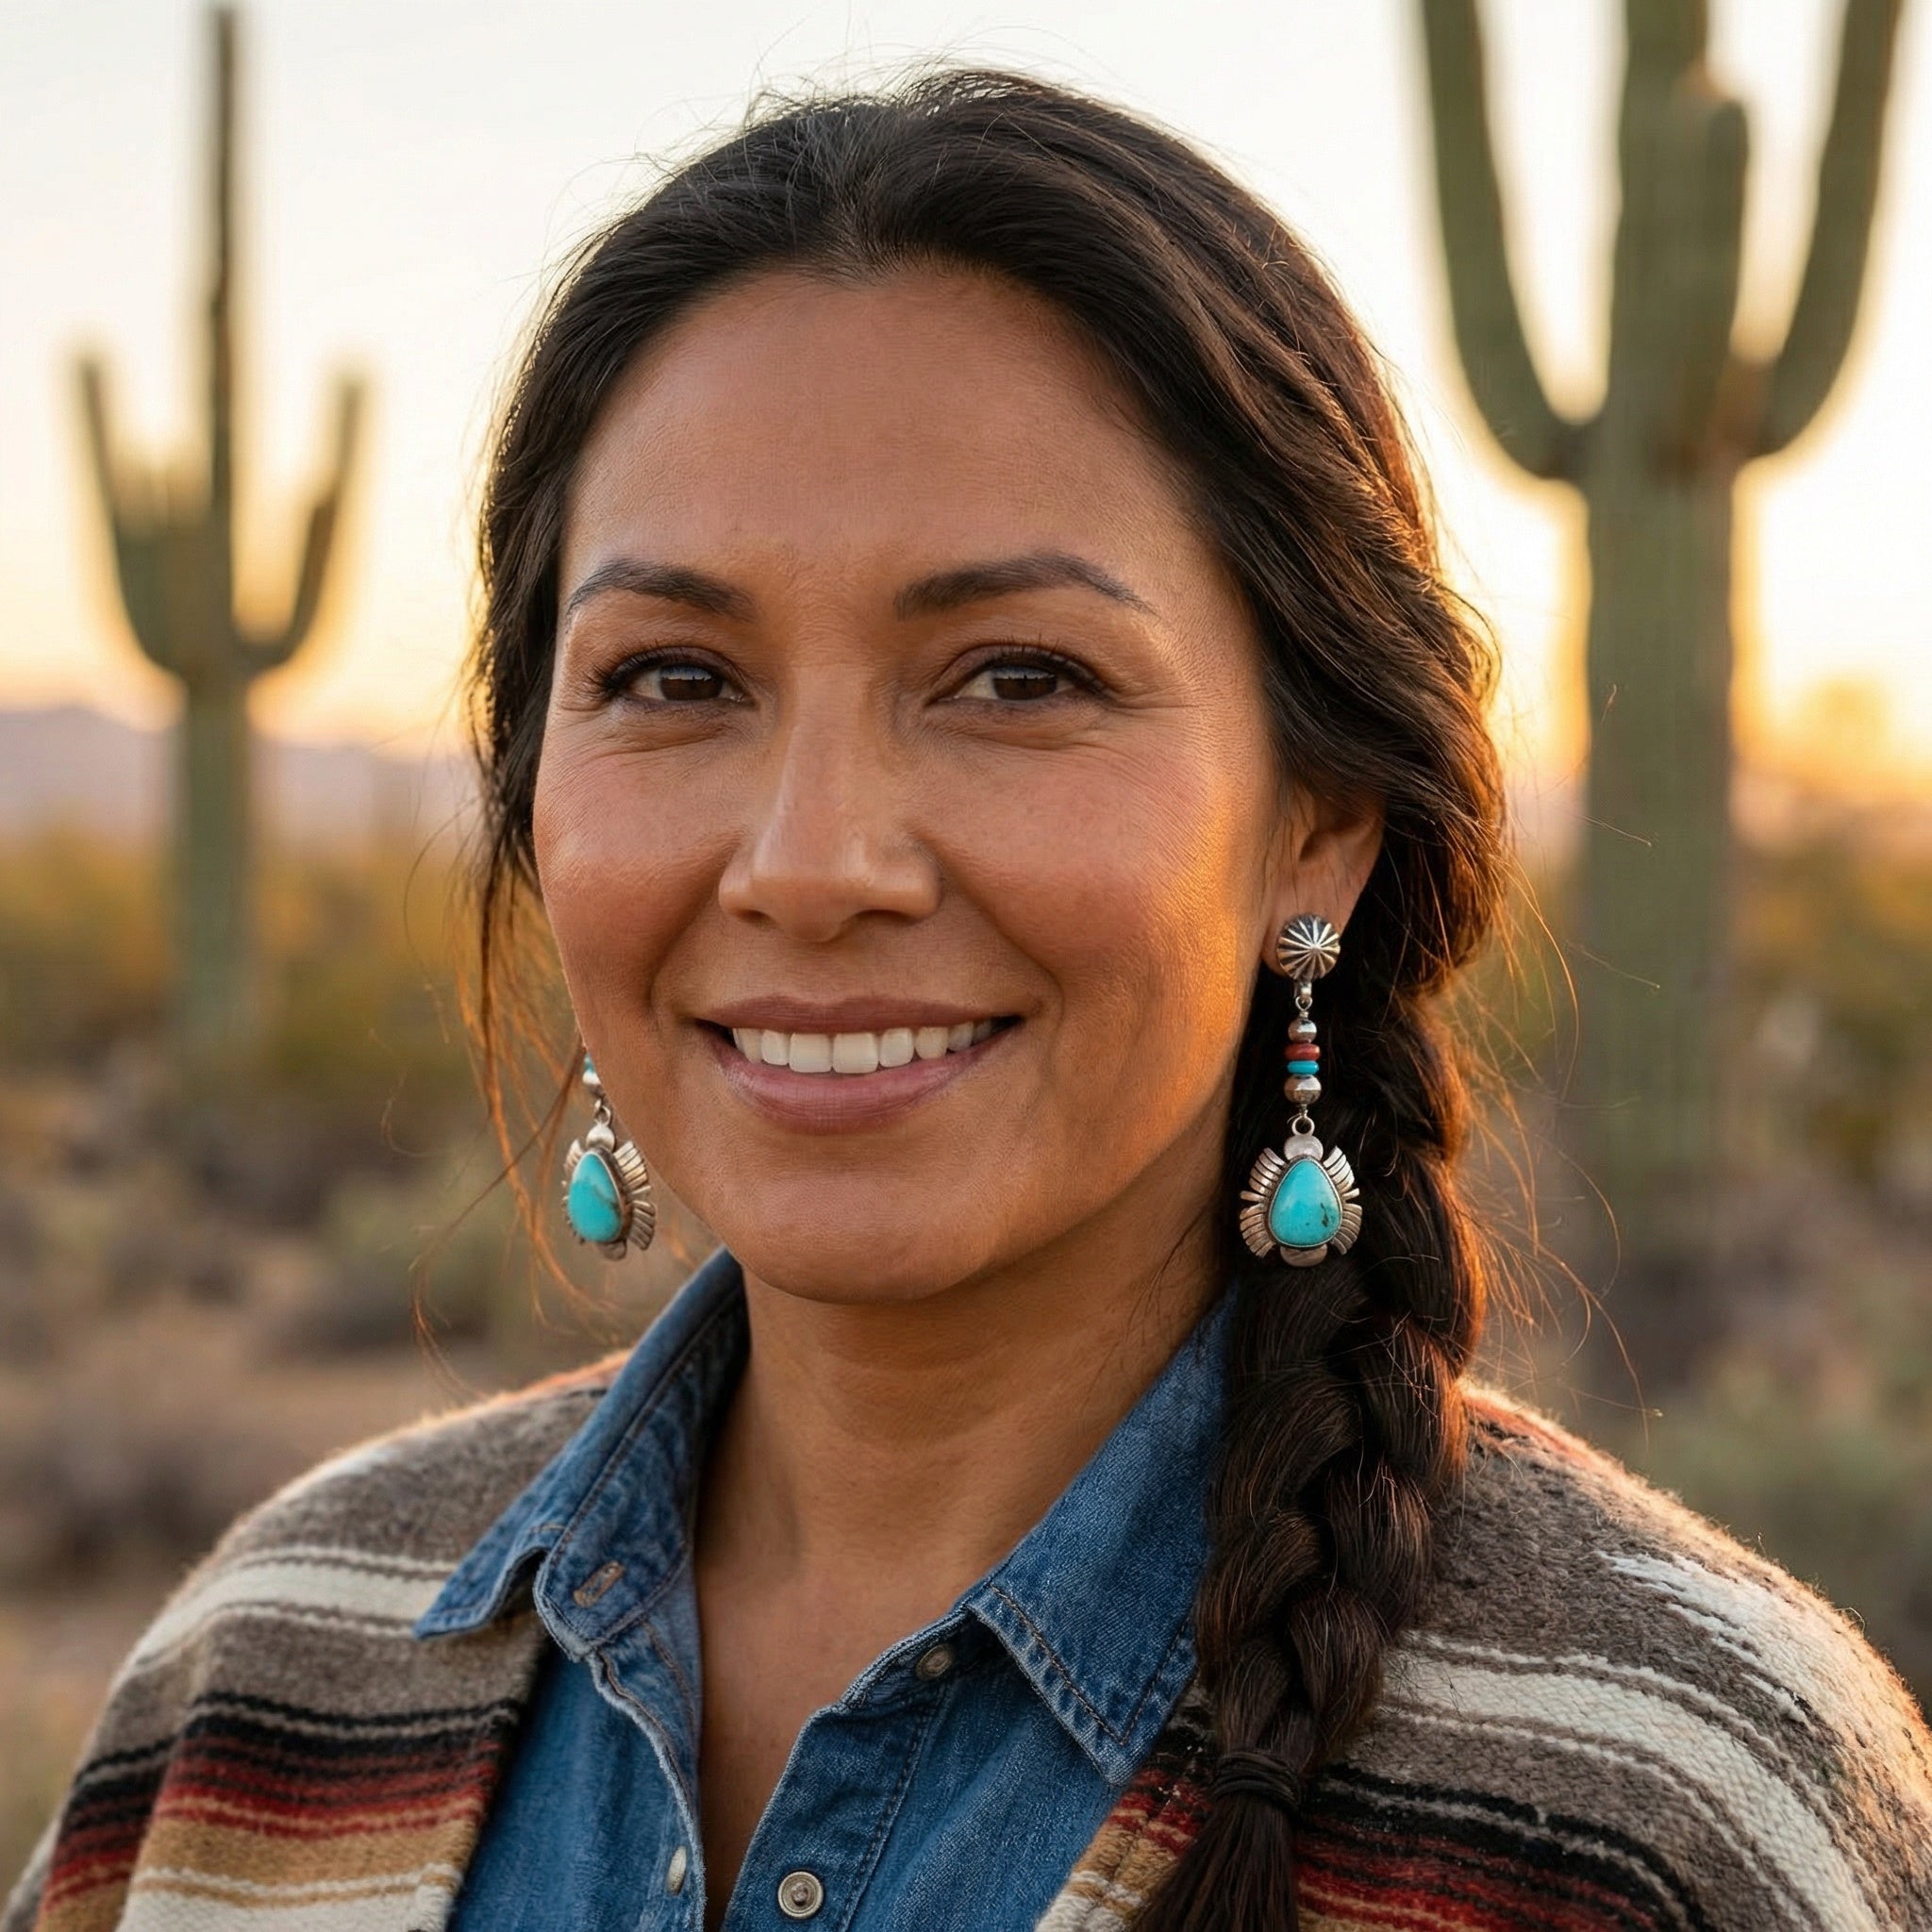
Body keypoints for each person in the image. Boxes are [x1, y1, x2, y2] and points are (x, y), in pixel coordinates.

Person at [9, 72, 1929, 1932]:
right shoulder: (264, 1685)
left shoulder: (1662, 1807)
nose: (811, 858)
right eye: (672, 678)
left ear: (1317, 832)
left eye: (1016, 676)